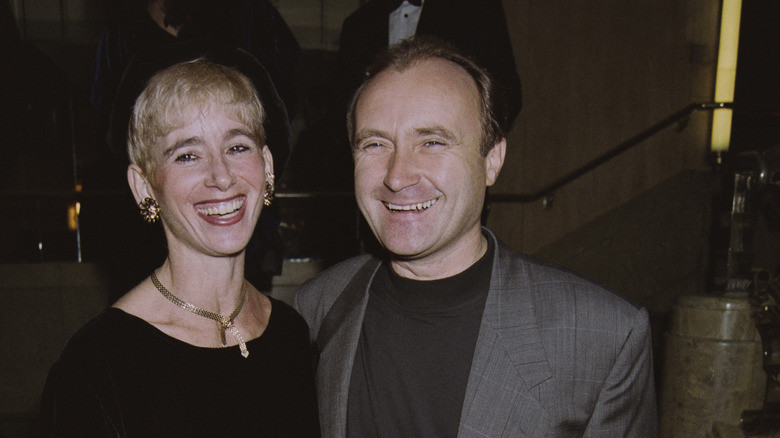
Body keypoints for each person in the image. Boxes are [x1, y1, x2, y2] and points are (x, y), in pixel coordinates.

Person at [294, 36, 658, 437]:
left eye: (432, 142)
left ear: (492, 160)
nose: (397, 176)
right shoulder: (317, 305)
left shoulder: (602, 335)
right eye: (375, 144)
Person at [40, 51, 320, 437]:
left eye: (238, 147)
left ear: (267, 166)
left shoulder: (291, 335)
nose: (221, 176)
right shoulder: (99, 364)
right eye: (187, 155)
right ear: (144, 187)